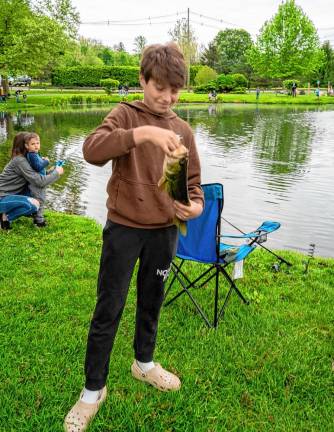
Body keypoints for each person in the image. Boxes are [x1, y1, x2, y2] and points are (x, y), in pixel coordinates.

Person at [64, 42, 204, 432]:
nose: (167, 97)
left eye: (175, 89)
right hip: (125, 228)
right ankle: (93, 390)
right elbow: (91, 150)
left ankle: (144, 363)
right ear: (142, 80)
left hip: (163, 233)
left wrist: (194, 208)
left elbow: (194, 187)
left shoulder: (184, 130)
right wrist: (140, 133)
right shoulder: (125, 115)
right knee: (109, 307)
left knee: (152, 302)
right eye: (159, 87)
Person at [0, 132, 63, 229]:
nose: (35, 145)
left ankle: (35, 216)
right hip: (2, 197)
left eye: (36, 143)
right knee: (33, 205)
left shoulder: (26, 159)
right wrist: (57, 173)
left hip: (11, 196)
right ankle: (5, 218)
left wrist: (53, 170)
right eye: (30, 143)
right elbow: (40, 181)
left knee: (35, 193)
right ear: (24, 145)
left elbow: (39, 177)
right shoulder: (20, 161)